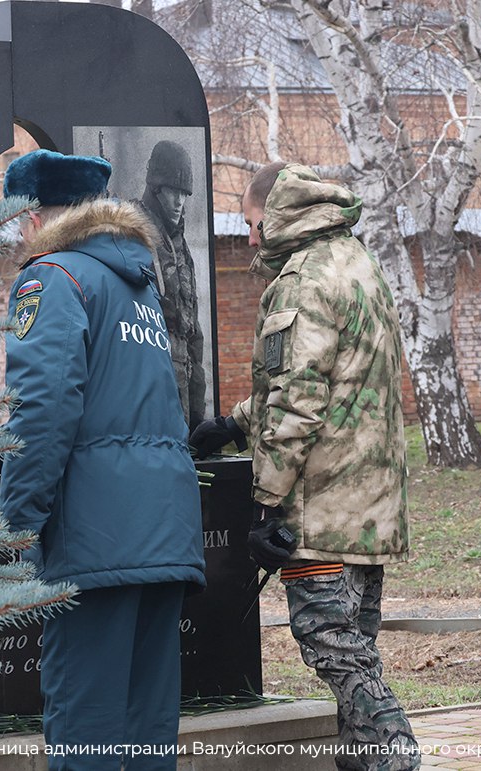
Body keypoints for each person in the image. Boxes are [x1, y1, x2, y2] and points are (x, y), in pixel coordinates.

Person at [189, 162, 419, 770]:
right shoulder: (358, 262)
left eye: (251, 222)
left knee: (331, 648)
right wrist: (234, 424)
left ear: (279, 214)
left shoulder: (302, 281)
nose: (248, 237)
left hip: (321, 509)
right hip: (370, 507)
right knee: (356, 649)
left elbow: (297, 400)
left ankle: (395, 754)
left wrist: (265, 503)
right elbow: (324, 377)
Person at [0, 149, 205, 770]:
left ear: (33, 216)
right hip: (163, 529)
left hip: (93, 537)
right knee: (147, 729)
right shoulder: (136, 280)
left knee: (83, 725)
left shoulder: (51, 278)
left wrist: (17, 518)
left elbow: (43, 407)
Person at [137, 139, 207, 428]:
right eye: (172, 191)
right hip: (154, 375)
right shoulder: (136, 233)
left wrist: (198, 384)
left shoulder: (179, 243)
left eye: (184, 193)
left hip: (185, 377)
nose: (179, 201)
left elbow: (191, 326)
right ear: (156, 189)